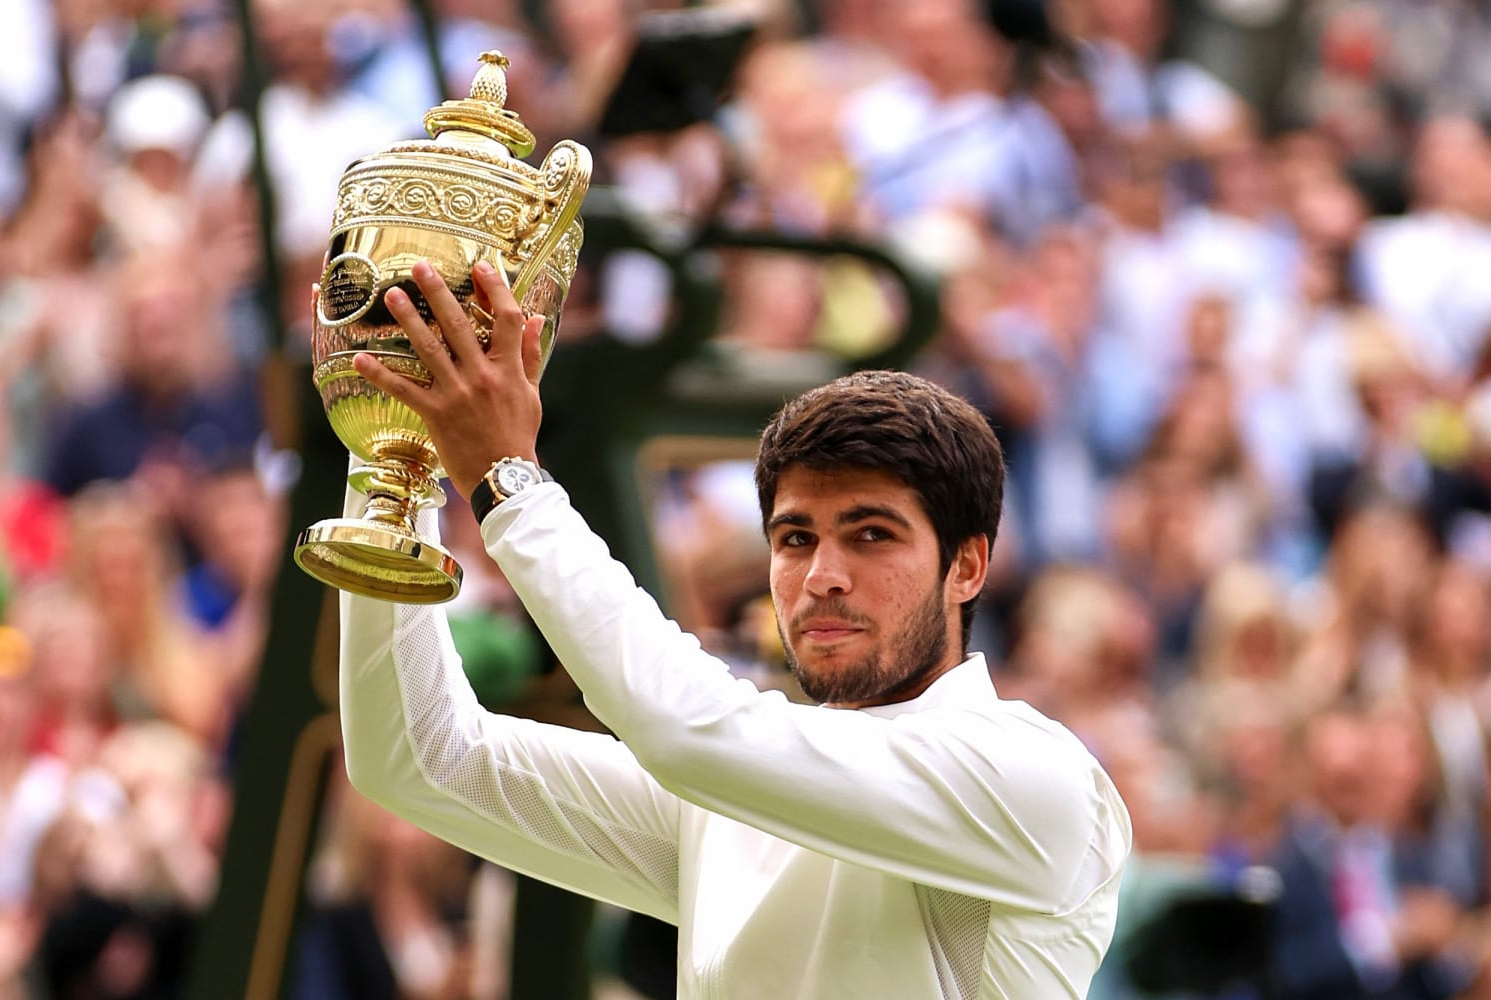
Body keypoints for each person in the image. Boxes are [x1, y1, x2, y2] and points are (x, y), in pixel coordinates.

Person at [338, 258, 1132, 998]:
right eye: (795, 539)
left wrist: (508, 481)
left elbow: (686, 730)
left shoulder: (1034, 776)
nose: (822, 575)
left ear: (967, 566)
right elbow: (418, 756)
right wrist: (390, 450)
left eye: (871, 535)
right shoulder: (727, 793)